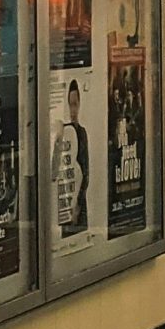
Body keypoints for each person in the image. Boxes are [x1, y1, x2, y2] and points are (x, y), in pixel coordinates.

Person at [53, 78, 92, 239]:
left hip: (78, 201)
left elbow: (86, 172)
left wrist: (78, 202)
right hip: (66, 199)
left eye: (75, 104)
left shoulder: (81, 133)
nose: (72, 109)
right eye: (70, 104)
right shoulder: (66, 132)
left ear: (80, 104)